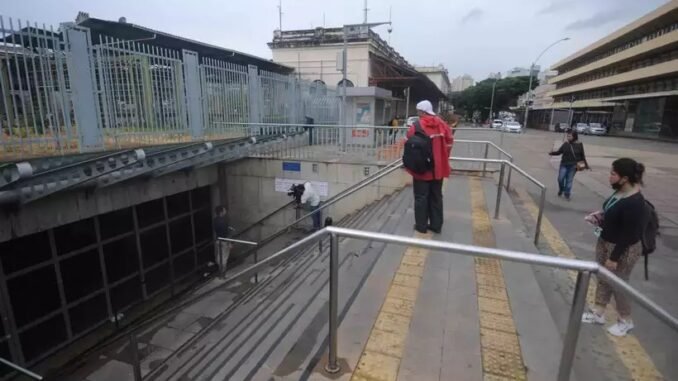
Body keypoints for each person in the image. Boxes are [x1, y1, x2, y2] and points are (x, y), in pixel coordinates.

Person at [582, 158, 646, 337]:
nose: (609, 176)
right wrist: (600, 216)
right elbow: (611, 210)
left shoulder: (635, 203)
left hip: (622, 249)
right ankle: (598, 312)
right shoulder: (619, 192)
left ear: (624, 178)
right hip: (605, 241)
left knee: (619, 283)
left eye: (613, 174)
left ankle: (626, 320)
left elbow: (628, 234)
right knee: (603, 278)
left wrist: (614, 257)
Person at [406, 100, 453, 234]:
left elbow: (409, 141)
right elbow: (450, 141)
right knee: (436, 196)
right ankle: (436, 226)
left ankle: (421, 226)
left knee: (421, 197)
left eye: (418, 111)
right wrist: (443, 157)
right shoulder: (442, 124)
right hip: (438, 169)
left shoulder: (416, 126)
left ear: (422, 112)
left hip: (422, 169)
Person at [549, 131, 589, 200]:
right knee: (560, 179)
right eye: (568, 136)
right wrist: (552, 153)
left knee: (569, 180)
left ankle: (567, 193)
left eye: (570, 136)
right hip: (564, 164)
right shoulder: (566, 144)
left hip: (573, 166)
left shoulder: (579, 144)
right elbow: (559, 152)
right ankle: (561, 189)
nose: (568, 137)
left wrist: (586, 165)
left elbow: (582, 155)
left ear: (574, 136)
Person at [212, 205, 233, 275]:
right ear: (221, 212)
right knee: (224, 257)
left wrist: (228, 227)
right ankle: (223, 273)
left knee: (220, 256)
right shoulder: (224, 221)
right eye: (224, 210)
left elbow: (219, 230)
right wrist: (230, 243)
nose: (225, 211)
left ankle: (220, 270)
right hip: (224, 241)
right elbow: (226, 233)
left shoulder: (215, 220)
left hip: (218, 240)